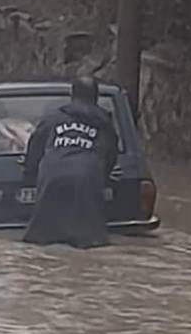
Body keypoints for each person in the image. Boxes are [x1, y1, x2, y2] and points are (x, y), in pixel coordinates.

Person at [22, 76, 119, 249]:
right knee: (91, 242)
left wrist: (29, 174)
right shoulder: (104, 123)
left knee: (42, 239)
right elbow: (111, 154)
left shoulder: (53, 119)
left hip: (52, 176)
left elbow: (34, 148)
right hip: (87, 178)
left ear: (72, 95)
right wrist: (105, 178)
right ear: (96, 97)